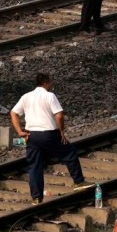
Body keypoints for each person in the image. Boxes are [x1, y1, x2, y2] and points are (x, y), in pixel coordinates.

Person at [10, 73, 91, 204]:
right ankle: (78, 182)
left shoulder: (26, 97)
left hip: (32, 135)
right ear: (46, 82)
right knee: (69, 153)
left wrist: (20, 131)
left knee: (35, 166)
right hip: (48, 133)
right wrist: (62, 131)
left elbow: (13, 113)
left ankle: (36, 197)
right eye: (51, 82)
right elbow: (59, 116)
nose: (52, 84)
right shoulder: (49, 96)